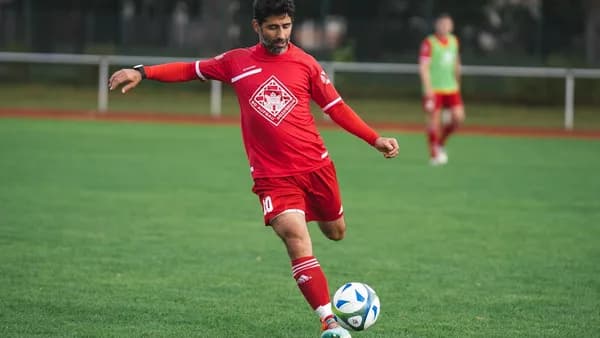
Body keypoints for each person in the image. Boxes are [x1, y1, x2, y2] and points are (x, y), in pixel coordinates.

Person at [108, 1, 399, 337]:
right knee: (295, 237)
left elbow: (336, 108)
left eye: (286, 26)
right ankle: (328, 322)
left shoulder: (305, 64)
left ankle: (314, 223)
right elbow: (191, 69)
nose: (281, 34)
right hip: (272, 177)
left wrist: (373, 139)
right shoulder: (237, 62)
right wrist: (142, 71)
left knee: (336, 232)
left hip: (316, 167)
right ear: (256, 27)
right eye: (273, 27)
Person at [418, 13, 465, 166]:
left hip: (451, 88)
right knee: (434, 121)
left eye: (447, 24)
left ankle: (440, 143)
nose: (445, 26)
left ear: (451, 26)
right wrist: (428, 89)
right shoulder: (429, 42)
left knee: (458, 118)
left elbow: (457, 63)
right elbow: (424, 67)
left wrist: (458, 82)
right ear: (437, 25)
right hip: (435, 88)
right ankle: (434, 153)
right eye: (442, 24)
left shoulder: (454, 41)